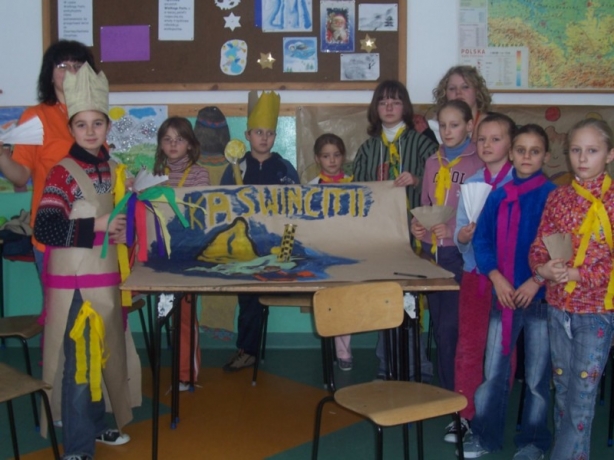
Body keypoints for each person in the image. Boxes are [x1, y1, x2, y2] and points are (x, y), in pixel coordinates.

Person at [33, 63, 135, 460]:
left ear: (108, 126)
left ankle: (95, 425)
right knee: (79, 361)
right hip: (73, 283)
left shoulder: (113, 169)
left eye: (97, 123)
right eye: (81, 125)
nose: (90, 131)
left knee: (104, 353)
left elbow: (120, 223)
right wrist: (98, 226)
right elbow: (46, 228)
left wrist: (124, 229)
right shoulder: (62, 173)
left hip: (105, 277)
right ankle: (77, 447)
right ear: (71, 129)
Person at [463, 124, 555, 459]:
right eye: (520, 150)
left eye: (535, 151)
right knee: (493, 371)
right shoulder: (498, 196)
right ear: (512, 153)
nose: (527, 156)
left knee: (537, 377)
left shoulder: (553, 197)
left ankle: (533, 441)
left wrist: (536, 280)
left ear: (546, 156)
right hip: (502, 296)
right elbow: (482, 240)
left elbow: (561, 246)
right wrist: (496, 277)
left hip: (540, 299)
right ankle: (485, 435)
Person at [529, 118, 614, 460]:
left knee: (581, 397)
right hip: (558, 307)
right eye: (576, 150)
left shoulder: (612, 202)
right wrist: (542, 268)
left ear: (609, 155)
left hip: (596, 312)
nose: (582, 158)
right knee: (563, 388)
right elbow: (540, 245)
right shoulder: (559, 197)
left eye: (592, 151)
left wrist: (579, 273)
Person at [353, 80, 438, 380]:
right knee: (385, 296)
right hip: (380, 237)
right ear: (375, 108)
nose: (389, 107)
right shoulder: (368, 149)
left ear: (405, 107)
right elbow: (358, 192)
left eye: (396, 101)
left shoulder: (422, 144)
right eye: (383, 101)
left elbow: (441, 181)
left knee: (410, 299)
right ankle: (387, 363)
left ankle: (418, 366)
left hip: (415, 236)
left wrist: (417, 179)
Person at [0, 40, 97, 272]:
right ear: (50, 75)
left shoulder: (95, 113)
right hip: (53, 228)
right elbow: (21, 177)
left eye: (77, 66)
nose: (70, 71)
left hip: (93, 226)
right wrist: (2, 156)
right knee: (59, 296)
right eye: (62, 66)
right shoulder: (36, 117)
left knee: (94, 295)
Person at [220, 91, 300, 372]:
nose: (264, 138)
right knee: (249, 298)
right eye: (258, 132)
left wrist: (287, 250)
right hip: (246, 247)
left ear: (275, 136)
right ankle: (247, 350)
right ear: (247, 135)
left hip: (279, 246)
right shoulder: (236, 168)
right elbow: (224, 207)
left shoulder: (285, 168)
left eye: (269, 133)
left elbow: (296, 212)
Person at [448, 112, 515, 444]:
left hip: (508, 279)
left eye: (496, 139)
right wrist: (462, 236)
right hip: (475, 276)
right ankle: (464, 414)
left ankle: (492, 413)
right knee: (469, 345)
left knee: (503, 349)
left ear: (511, 145)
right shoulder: (472, 183)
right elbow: (461, 234)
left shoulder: (518, 182)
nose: (487, 145)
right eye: (482, 139)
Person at [410, 100, 483, 393]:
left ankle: (459, 391)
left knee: (453, 327)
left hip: (459, 254)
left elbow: (480, 214)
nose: (447, 131)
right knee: (440, 326)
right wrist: (418, 225)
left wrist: (453, 231)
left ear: (469, 126)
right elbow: (427, 204)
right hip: (432, 254)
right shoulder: (432, 161)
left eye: (455, 125)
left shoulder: (477, 163)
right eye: (442, 125)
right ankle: (447, 389)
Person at [154, 116, 209, 389]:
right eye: (167, 139)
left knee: (184, 315)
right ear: (161, 145)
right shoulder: (154, 174)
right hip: (158, 255)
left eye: (179, 139)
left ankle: (186, 375)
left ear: (190, 144)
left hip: (186, 254)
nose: (173, 144)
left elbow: (202, 213)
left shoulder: (199, 174)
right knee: (162, 312)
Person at [308, 133, 353, 370]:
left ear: (343, 157)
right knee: (328, 300)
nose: (332, 160)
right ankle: (331, 346)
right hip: (321, 254)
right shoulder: (311, 187)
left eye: (336, 155)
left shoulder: (355, 185)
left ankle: (344, 350)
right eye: (326, 156)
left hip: (348, 252)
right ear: (318, 158)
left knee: (344, 300)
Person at [432, 65, 492, 140]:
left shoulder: (493, 124)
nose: (458, 92)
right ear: (444, 94)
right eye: (452, 88)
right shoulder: (434, 128)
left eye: (465, 87)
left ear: (477, 91)